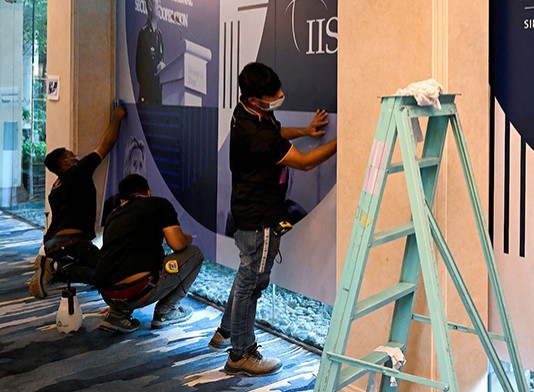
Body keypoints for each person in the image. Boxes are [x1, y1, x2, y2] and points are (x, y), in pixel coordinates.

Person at [208, 62, 336, 376]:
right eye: (274, 94)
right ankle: (241, 355)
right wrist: (345, 143)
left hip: (246, 212)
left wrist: (306, 131)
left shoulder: (247, 113)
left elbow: (275, 134)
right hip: (259, 218)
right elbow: (304, 163)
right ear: (255, 99)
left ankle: (226, 332)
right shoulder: (255, 133)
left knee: (244, 276)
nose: (281, 96)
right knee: (252, 285)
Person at [29, 103, 127, 299]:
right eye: (71, 155)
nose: (76, 156)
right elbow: (106, 144)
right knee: (109, 273)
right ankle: (57, 268)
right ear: (65, 163)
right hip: (73, 242)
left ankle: (56, 264)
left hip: (52, 242)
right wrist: (117, 117)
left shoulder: (55, 187)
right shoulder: (78, 171)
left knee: (97, 270)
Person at [94, 174, 203, 333]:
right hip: (138, 289)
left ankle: (118, 314)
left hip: (107, 294)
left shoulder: (113, 214)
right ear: (149, 191)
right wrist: (187, 238)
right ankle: (166, 311)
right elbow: (177, 244)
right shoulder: (159, 204)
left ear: (122, 199)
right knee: (195, 254)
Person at [136, 0, 165, 104]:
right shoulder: (144, 35)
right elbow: (140, 72)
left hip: (158, 100)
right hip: (146, 101)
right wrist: (155, 70)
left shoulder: (160, 36)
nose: (160, 3)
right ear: (149, 4)